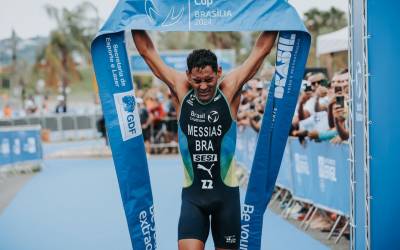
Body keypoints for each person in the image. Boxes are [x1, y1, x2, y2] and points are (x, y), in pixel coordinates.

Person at [132, 30, 276, 250]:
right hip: (193, 198)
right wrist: (133, 17)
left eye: (209, 79)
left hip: (226, 198)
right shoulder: (181, 89)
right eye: (197, 80)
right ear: (188, 75)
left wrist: (276, 14)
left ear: (218, 72)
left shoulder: (229, 89)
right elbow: (147, 51)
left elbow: (260, 51)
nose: (203, 86)